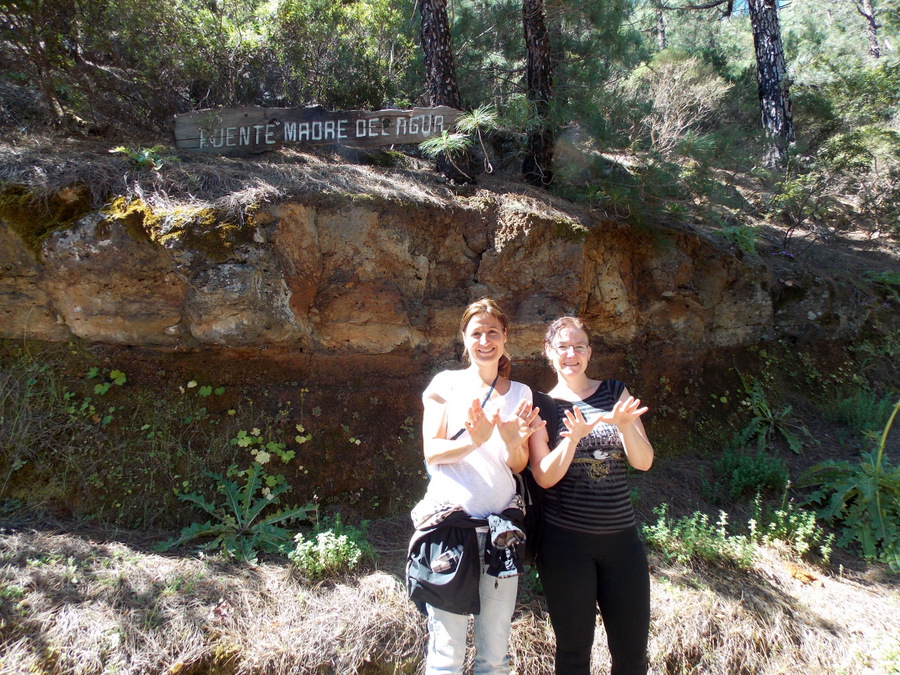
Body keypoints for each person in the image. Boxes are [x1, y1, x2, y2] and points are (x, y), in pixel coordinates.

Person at [406, 298, 544, 675]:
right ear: (464, 339)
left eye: (493, 332)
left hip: (501, 533)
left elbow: (517, 466)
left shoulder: (521, 393)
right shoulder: (445, 384)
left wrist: (515, 442)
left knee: (495, 655)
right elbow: (432, 451)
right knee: (446, 654)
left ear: (505, 337)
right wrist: (475, 440)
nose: (485, 340)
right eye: (476, 333)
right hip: (452, 531)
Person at [528, 316, 654, 675]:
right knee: (573, 653)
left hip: (622, 542)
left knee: (631, 655)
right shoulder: (543, 405)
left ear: (590, 351)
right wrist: (571, 438)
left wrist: (625, 426)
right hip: (566, 544)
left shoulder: (615, 392)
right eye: (563, 346)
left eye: (579, 345)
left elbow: (644, 462)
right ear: (549, 353)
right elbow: (543, 476)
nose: (572, 353)